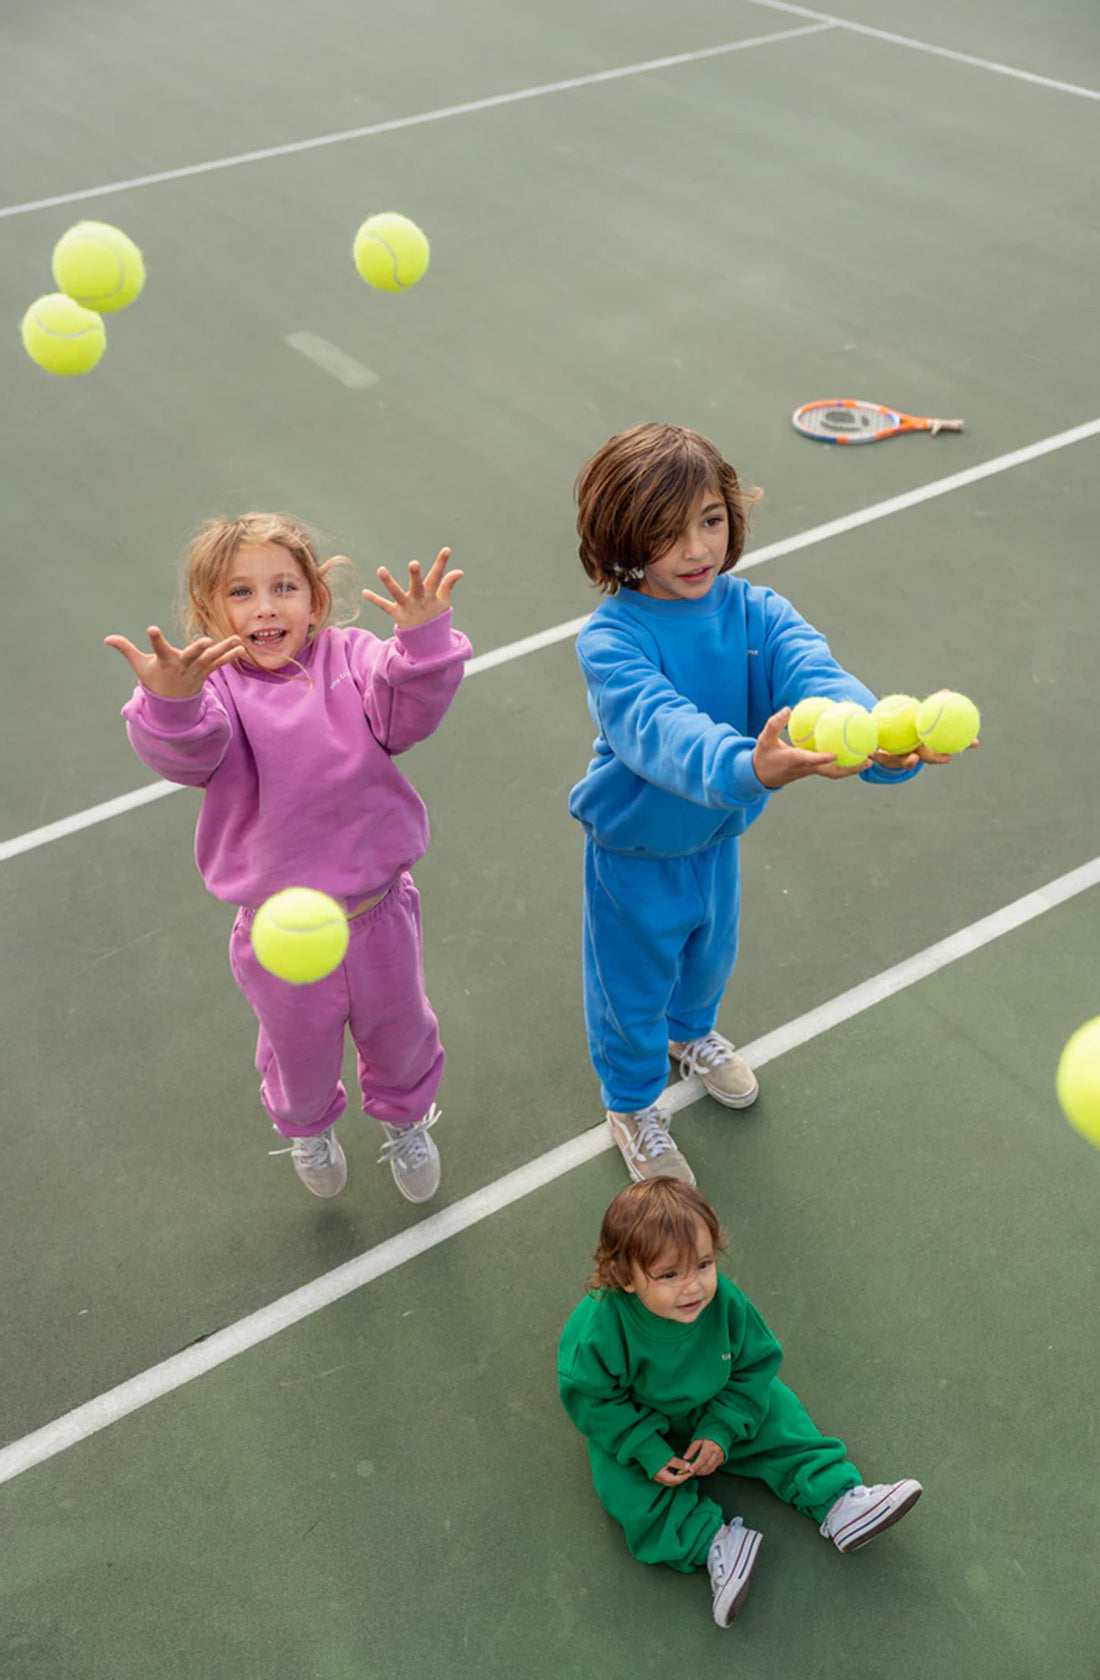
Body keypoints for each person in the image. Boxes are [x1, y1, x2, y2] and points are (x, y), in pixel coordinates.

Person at [570, 423, 964, 1183]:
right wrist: (749, 763)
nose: (697, 550)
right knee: (631, 986)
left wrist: (879, 741)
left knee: (707, 960)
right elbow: (661, 729)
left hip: (717, 835)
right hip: (636, 850)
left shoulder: (758, 613)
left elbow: (819, 680)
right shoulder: (611, 638)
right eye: (667, 531)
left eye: (711, 521)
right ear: (621, 534)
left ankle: (691, 1036)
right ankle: (630, 1102)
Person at [105, 512, 469, 1204]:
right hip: (279, 938)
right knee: (298, 1057)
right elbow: (189, 749)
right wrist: (171, 703)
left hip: (380, 917)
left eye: (284, 587)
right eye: (240, 593)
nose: (266, 606)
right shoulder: (215, 692)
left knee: (403, 1034)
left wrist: (423, 639)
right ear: (209, 614)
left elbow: (406, 710)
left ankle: (405, 1121)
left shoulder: (354, 657)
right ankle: (308, 1128)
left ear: (316, 601)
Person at [557, 1178, 922, 1627]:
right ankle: (713, 1542)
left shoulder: (724, 1301)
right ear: (624, 1277)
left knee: (778, 1414)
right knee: (624, 1489)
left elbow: (755, 1365)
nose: (692, 1286)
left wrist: (721, 1429)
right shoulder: (597, 1329)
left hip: (716, 1402)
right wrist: (646, 1449)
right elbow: (592, 1399)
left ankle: (838, 1501)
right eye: (669, 1275)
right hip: (639, 1424)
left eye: (703, 1265)